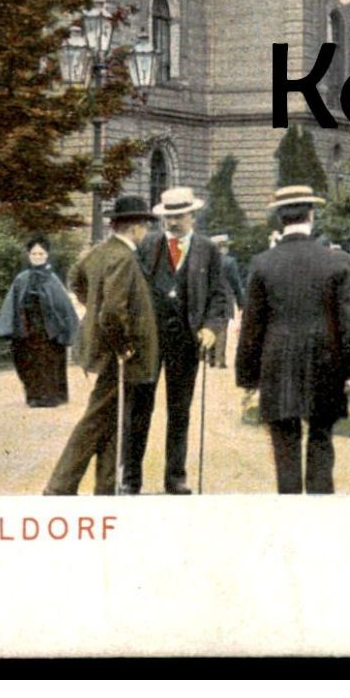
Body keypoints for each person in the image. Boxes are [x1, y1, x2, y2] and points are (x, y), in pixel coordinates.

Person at [236, 185, 350, 494]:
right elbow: (349, 324)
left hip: (277, 364)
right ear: (312, 215)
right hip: (326, 363)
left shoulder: (262, 264)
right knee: (321, 441)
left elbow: (251, 326)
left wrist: (248, 378)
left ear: (280, 218)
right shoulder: (337, 262)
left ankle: (290, 512)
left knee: (284, 449)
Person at [44, 196, 162, 496]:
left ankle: (106, 488)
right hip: (117, 353)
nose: (146, 232)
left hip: (104, 348)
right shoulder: (123, 257)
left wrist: (91, 305)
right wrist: (124, 346)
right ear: (135, 227)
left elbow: (76, 280)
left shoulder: (99, 252)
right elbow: (111, 311)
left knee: (110, 419)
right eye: (144, 226)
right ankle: (60, 486)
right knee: (96, 419)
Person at [125, 186, 229, 495]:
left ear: (192, 215)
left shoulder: (207, 249)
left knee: (180, 410)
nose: (172, 222)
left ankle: (176, 477)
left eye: (179, 216)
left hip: (186, 339)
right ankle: (130, 478)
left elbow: (219, 295)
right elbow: (132, 290)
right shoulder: (147, 244)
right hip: (149, 340)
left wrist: (212, 327)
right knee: (138, 409)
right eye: (168, 216)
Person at [0, 237, 80, 407]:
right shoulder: (21, 278)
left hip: (48, 329)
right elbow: (12, 303)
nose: (37, 256)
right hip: (27, 327)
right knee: (27, 360)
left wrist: (63, 326)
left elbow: (62, 305)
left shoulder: (52, 279)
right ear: (28, 255)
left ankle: (50, 396)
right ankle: (33, 395)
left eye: (41, 253)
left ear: (47, 255)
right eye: (34, 253)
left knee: (49, 361)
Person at [209, 233, 245, 370]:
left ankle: (210, 358)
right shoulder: (229, 262)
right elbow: (235, 284)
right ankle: (220, 360)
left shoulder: (207, 261)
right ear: (222, 248)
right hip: (223, 298)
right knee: (222, 328)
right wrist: (241, 303)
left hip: (208, 298)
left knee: (210, 325)